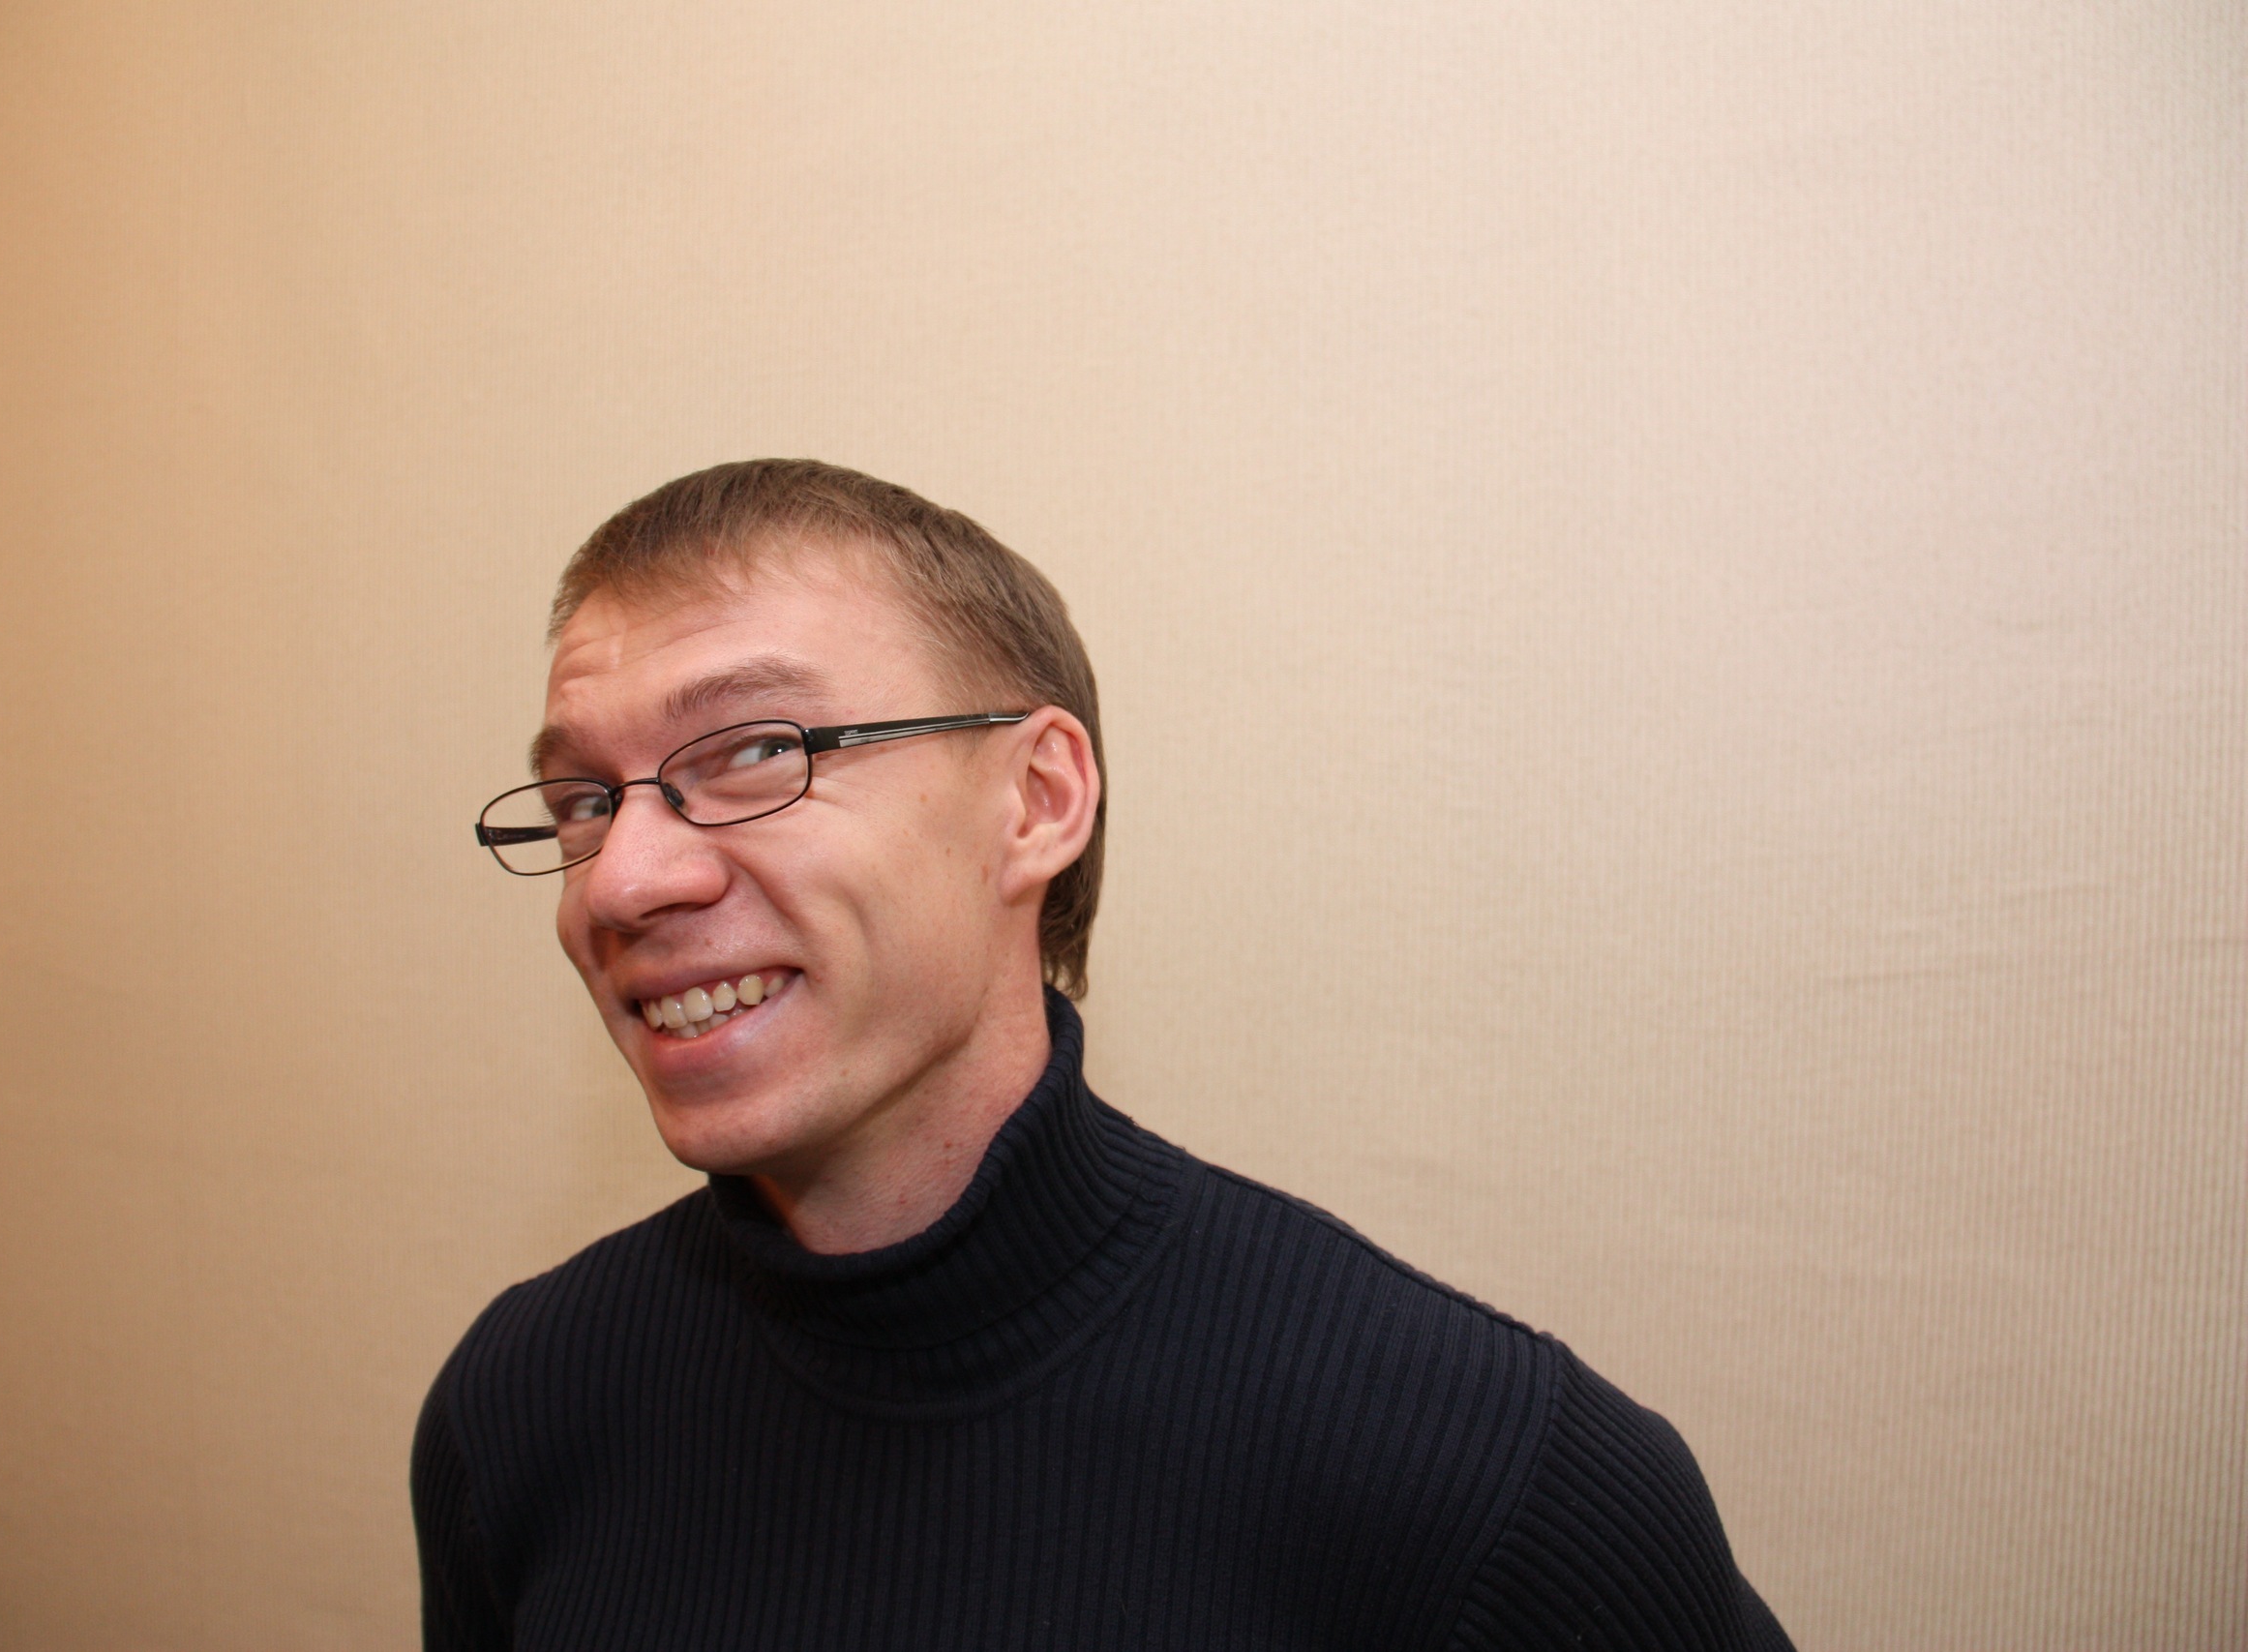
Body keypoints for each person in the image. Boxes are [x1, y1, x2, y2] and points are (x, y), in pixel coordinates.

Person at [413, 458, 1793, 1650]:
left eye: (755, 751)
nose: (619, 881)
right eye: (583, 800)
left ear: (1037, 799)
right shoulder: (520, 1406)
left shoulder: (1488, 1483)